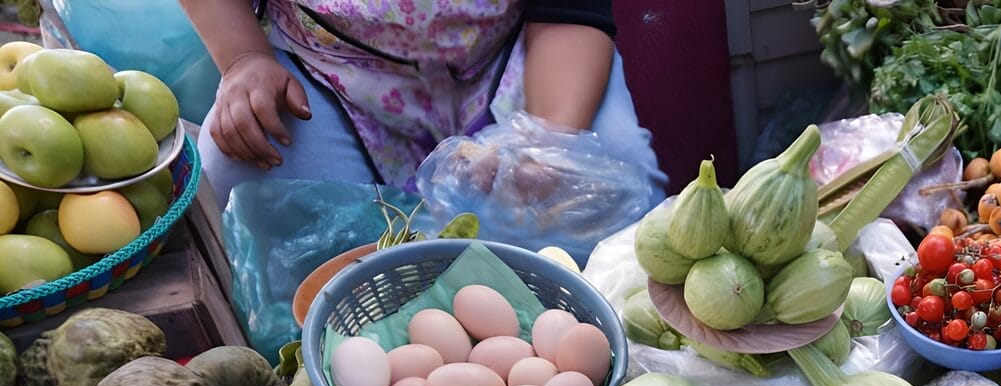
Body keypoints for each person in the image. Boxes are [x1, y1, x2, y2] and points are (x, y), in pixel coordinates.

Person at [180, 0, 664, 209]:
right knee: (247, 178)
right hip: (337, 70)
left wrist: (546, 140)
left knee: (602, 174)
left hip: (509, 63)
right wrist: (244, 58)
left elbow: (569, 15)